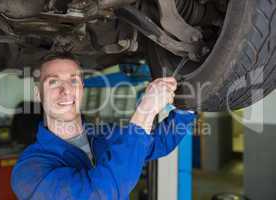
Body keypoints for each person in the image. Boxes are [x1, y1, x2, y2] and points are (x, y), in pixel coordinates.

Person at [11, 52, 195, 200]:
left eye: (73, 80)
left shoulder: (103, 136)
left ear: (82, 88)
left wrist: (187, 108)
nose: (65, 90)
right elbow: (98, 193)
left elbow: (156, 143)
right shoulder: (29, 171)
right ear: (38, 94)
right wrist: (144, 113)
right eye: (53, 81)